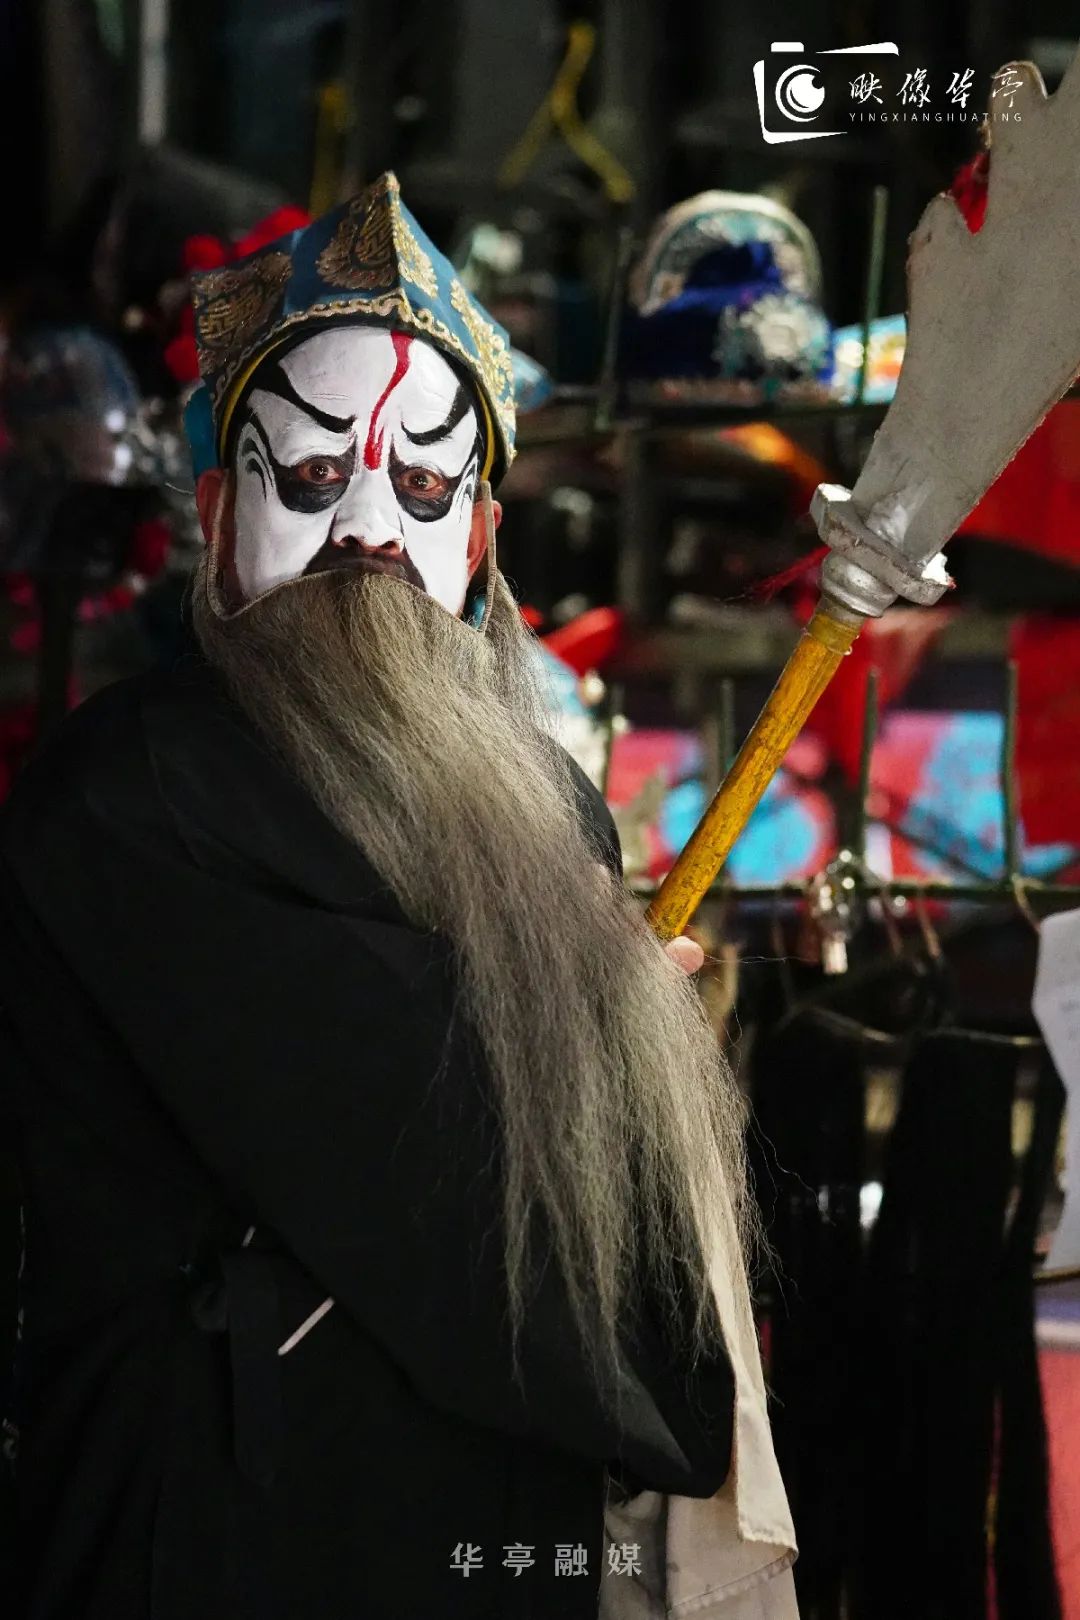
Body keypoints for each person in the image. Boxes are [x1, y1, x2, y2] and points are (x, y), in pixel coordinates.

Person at [0, 172, 795, 1619]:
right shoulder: (123, 798)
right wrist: (603, 1019)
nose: (371, 527)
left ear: (478, 540)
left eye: (422, 486)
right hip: (214, 1534)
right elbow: (390, 1121)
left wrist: (616, 1024)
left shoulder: (547, 804)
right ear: (218, 518)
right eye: (313, 476)